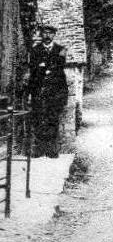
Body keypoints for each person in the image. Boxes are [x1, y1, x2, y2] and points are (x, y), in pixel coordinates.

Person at [26, 24, 69, 158]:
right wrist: (30, 93)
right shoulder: (35, 50)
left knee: (52, 120)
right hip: (38, 92)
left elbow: (59, 68)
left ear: (54, 35)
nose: (47, 35)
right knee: (38, 119)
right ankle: (39, 149)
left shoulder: (60, 50)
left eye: (50, 33)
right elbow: (34, 71)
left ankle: (51, 150)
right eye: (45, 33)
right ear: (41, 35)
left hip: (54, 92)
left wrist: (43, 67)